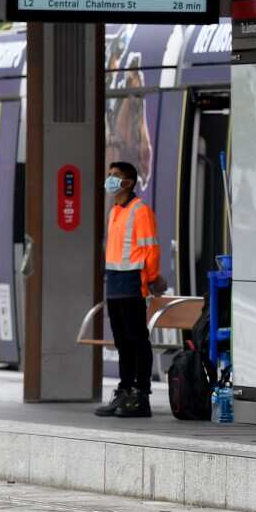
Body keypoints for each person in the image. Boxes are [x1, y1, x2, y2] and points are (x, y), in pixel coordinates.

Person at [95, 161, 166, 418]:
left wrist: (151, 279)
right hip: (114, 282)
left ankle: (140, 395)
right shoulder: (115, 211)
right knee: (122, 342)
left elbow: (151, 249)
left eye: (115, 175)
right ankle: (124, 391)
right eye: (109, 174)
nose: (110, 179)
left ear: (128, 182)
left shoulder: (140, 211)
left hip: (133, 282)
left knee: (137, 340)